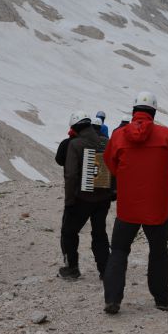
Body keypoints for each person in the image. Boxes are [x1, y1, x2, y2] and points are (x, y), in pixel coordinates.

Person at [102, 91, 168, 315]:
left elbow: (111, 165)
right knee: (158, 251)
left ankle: (112, 299)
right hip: (156, 208)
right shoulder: (167, 135)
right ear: (154, 112)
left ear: (134, 111)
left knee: (119, 251)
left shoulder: (119, 136)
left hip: (127, 208)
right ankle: (161, 299)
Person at [59, 110, 112, 280]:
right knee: (99, 234)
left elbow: (71, 175)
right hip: (104, 197)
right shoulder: (106, 142)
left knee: (69, 232)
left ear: (75, 127)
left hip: (82, 198)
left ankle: (72, 268)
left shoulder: (75, 144)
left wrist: (69, 201)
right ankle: (106, 271)